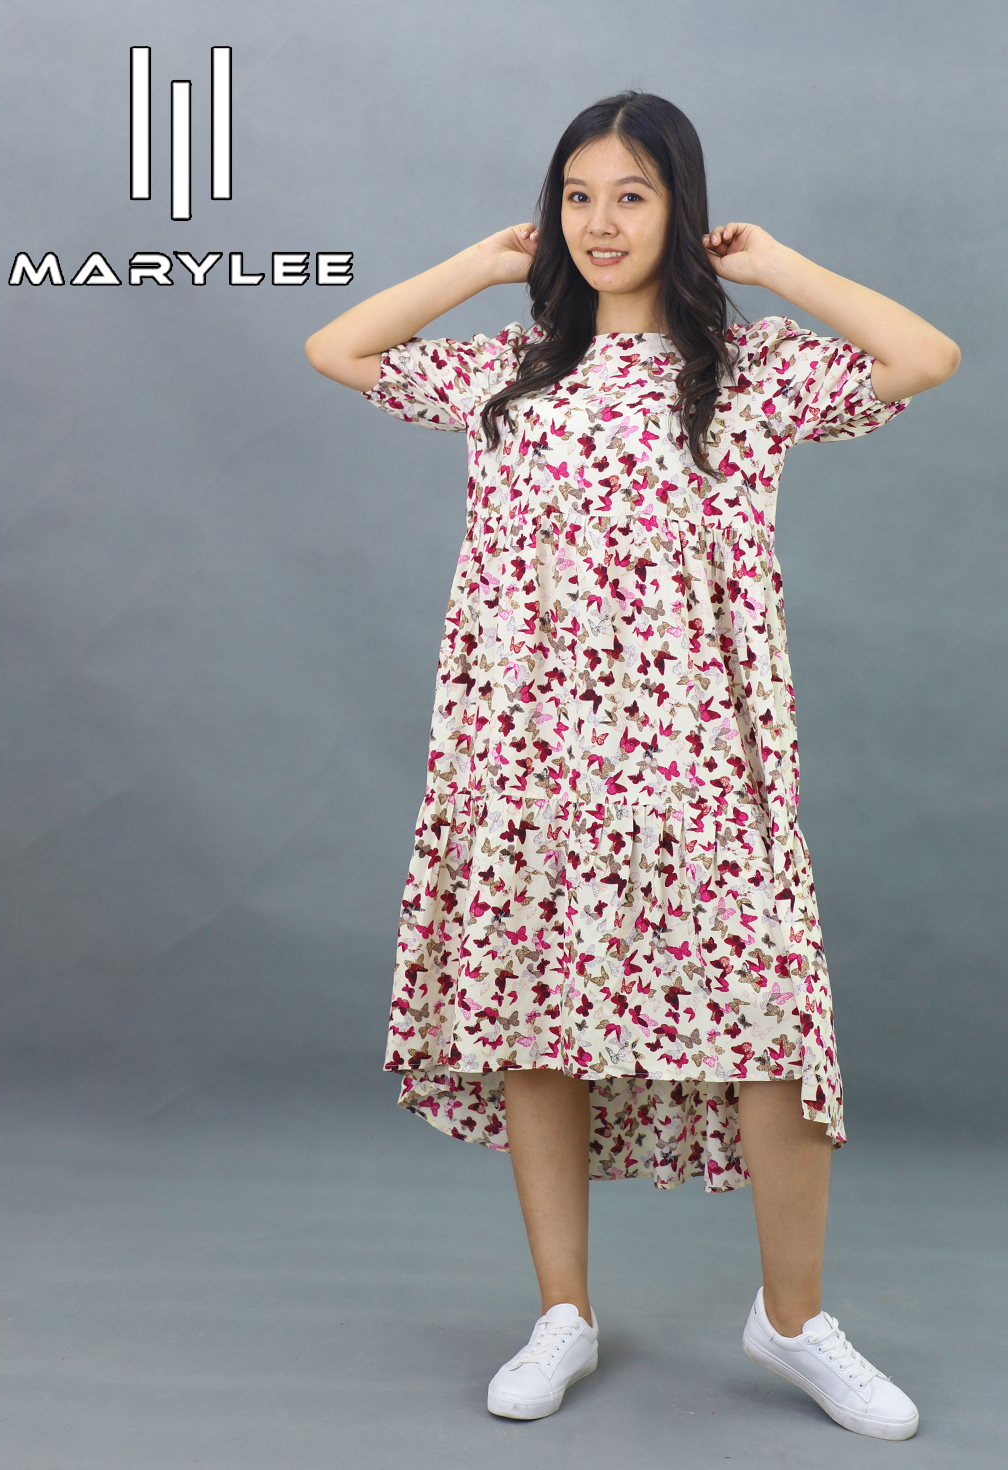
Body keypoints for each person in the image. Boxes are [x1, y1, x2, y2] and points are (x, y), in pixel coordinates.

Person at [304, 90, 959, 1441]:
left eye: (633, 196)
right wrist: (485, 263)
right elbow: (336, 345)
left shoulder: (752, 374)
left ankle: (794, 1319)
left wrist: (777, 265)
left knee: (774, 1026)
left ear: (683, 210)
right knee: (539, 1022)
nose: (600, 223)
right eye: (578, 196)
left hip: (700, 764)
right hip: (531, 760)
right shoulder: (512, 372)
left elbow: (925, 354)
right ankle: (564, 1312)